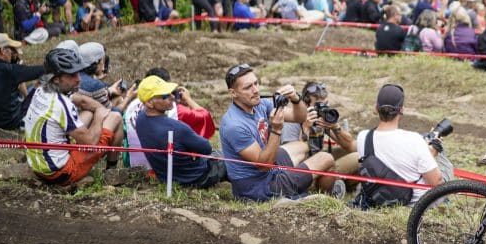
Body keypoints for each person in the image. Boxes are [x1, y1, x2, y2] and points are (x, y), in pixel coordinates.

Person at [219, 63, 344, 201]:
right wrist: (276, 130)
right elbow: (264, 166)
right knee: (326, 158)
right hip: (257, 186)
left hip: (266, 164)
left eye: (256, 83)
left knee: (302, 146)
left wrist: (296, 99)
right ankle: (328, 197)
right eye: (248, 87)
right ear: (233, 93)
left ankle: (299, 180)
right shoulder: (234, 125)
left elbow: (300, 117)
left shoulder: (258, 103)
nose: (255, 90)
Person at [23, 47, 125, 186]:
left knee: (89, 112)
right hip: (61, 173)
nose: (78, 79)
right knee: (116, 118)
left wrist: (99, 109)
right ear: (57, 79)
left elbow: (81, 100)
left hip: (39, 166)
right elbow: (90, 143)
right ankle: (111, 171)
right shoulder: (61, 104)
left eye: (78, 73)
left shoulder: (42, 89)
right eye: (72, 75)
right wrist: (100, 117)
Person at [352, 83, 445, 205]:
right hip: (415, 202)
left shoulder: (363, 137)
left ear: (376, 108)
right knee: (443, 160)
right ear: (402, 110)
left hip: (377, 197)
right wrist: (432, 153)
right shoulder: (414, 140)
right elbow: (436, 182)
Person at [134, 75, 227, 188]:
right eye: (165, 96)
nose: (172, 97)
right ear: (149, 103)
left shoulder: (140, 119)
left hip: (166, 177)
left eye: (171, 93)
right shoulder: (177, 127)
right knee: (230, 157)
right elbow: (206, 148)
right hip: (196, 177)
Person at [0, 33, 45, 130]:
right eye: (11, 49)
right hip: (14, 121)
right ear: (2, 51)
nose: (13, 53)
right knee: (41, 83)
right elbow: (41, 70)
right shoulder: (9, 70)